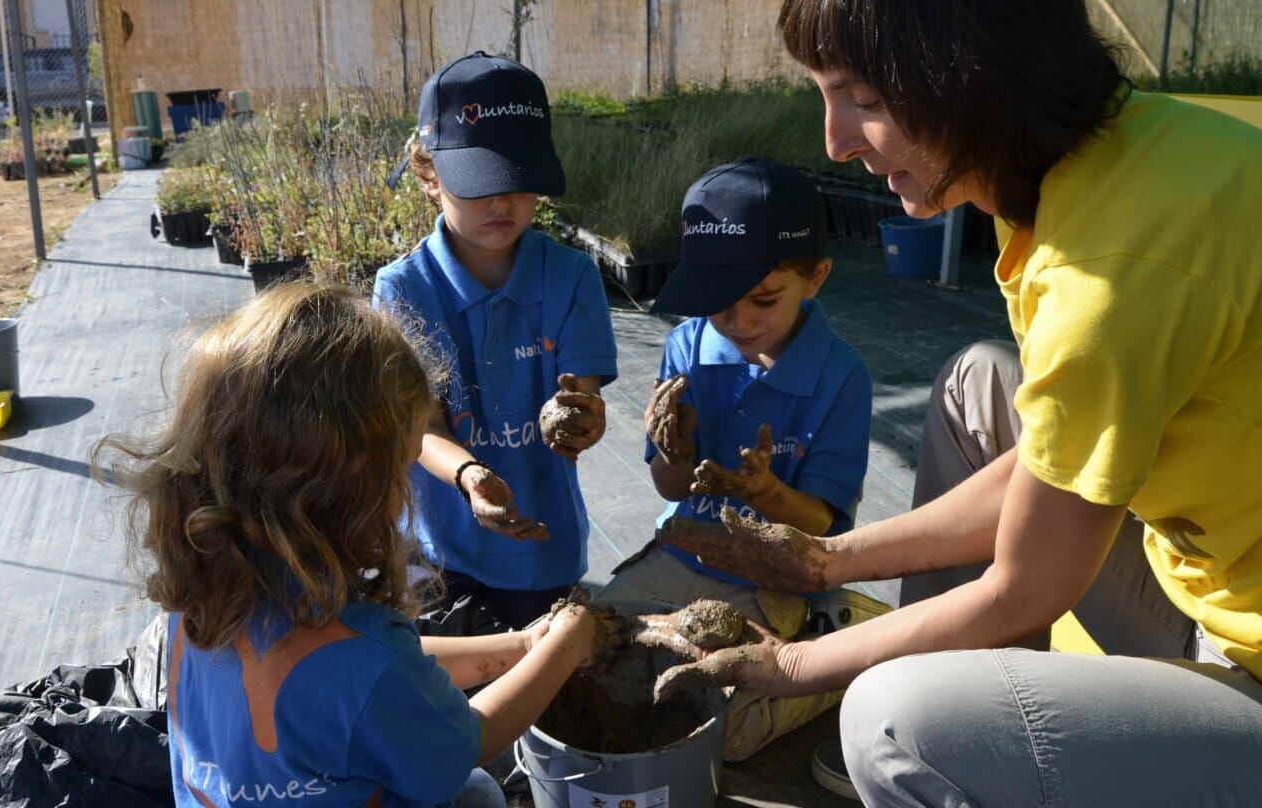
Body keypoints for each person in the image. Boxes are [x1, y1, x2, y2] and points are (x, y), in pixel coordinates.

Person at [648, 1, 1262, 805]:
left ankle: (972, 728)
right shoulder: (1138, 151)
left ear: (972, 79)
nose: (834, 140)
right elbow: (1057, 459)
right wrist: (826, 558)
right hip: (1204, 562)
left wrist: (791, 667)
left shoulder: (1108, 281)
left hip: (1243, 660)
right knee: (981, 382)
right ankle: (978, 695)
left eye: (865, 100)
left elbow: (1025, 589)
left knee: (892, 721)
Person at [96, 284, 610, 808]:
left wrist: (521, 647)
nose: (406, 491)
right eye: (403, 467)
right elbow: (468, 738)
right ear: (352, 488)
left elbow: (370, 672)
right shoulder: (367, 661)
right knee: (478, 794)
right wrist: (566, 646)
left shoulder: (198, 612)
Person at [598, 158, 880, 760]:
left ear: (817, 278)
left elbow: (822, 526)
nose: (737, 322)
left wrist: (765, 494)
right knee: (588, 648)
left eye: (763, 300)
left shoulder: (841, 378)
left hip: (773, 578)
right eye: (717, 302)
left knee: (725, 732)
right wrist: (673, 452)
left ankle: (834, 658)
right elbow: (672, 488)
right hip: (684, 548)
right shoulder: (688, 344)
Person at [373, 52, 618, 632]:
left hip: (546, 549)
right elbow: (420, 429)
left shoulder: (571, 277)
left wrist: (581, 418)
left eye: (519, 182)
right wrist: (470, 476)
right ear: (427, 172)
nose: (502, 203)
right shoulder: (402, 288)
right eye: (480, 184)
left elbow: (584, 402)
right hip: (440, 555)